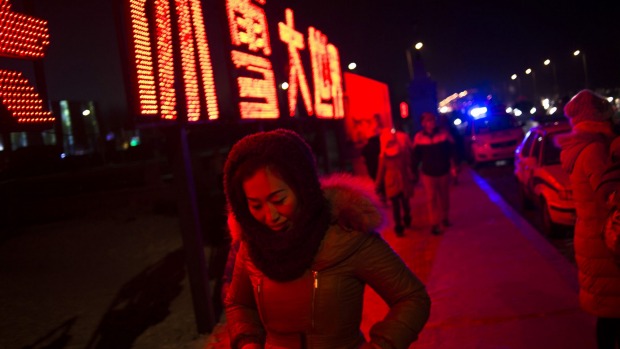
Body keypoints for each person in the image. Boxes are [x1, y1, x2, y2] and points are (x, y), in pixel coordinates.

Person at [222, 128, 430, 349]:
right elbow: (239, 303)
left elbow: (412, 298)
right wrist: (247, 342)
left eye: (279, 199)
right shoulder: (251, 245)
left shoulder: (347, 236)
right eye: (255, 205)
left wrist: (380, 345)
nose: (269, 215)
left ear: (303, 187)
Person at [557, 89, 620, 349]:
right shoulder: (595, 150)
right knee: (612, 313)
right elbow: (610, 193)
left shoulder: (583, 147)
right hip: (604, 241)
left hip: (593, 236)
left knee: (609, 313)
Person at [411, 112, 457, 235]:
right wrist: (414, 171)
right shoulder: (419, 137)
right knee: (431, 199)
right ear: (423, 123)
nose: (431, 122)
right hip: (428, 173)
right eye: (428, 120)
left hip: (443, 171)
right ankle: (434, 223)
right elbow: (416, 157)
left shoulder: (443, 134)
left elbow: (451, 151)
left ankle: (445, 217)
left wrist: (453, 167)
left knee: (444, 197)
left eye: (432, 120)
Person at [375, 127, 415, 236]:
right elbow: (381, 171)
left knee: (402, 204)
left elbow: (407, 165)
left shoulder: (395, 153)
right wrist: (377, 185)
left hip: (396, 181)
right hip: (396, 181)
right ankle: (400, 225)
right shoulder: (390, 155)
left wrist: (377, 185)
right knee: (398, 205)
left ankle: (403, 221)